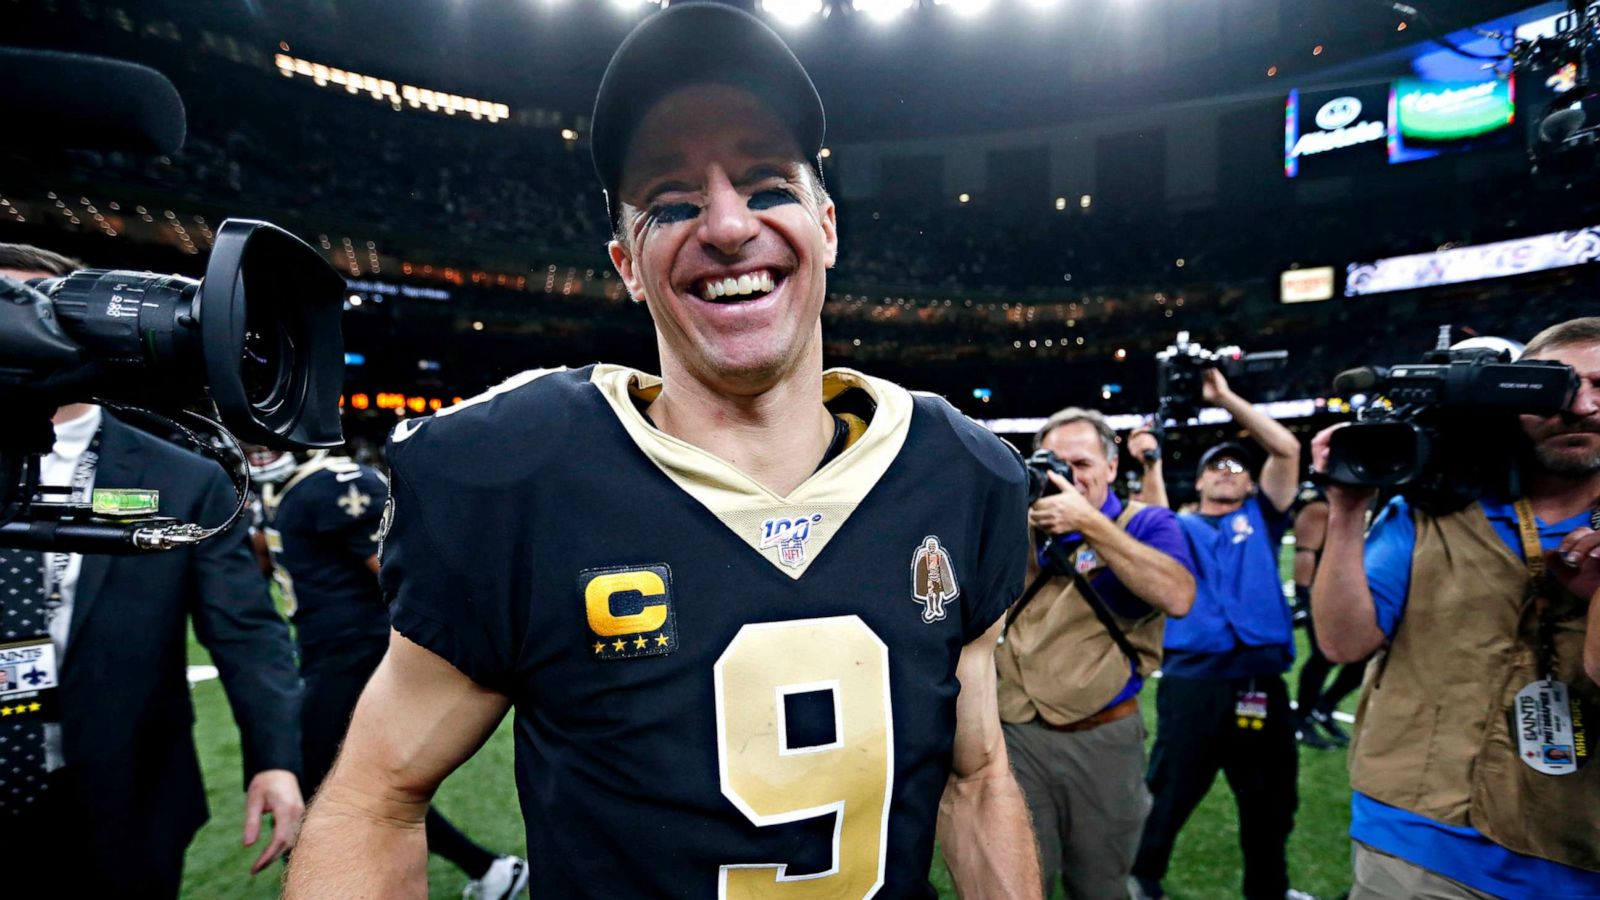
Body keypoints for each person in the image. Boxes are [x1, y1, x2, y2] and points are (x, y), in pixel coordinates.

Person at [286, 5, 1040, 897]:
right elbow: (376, 800)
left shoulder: (960, 473)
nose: (727, 226)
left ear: (827, 227)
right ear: (625, 263)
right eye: (671, 203)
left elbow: (977, 775)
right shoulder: (520, 476)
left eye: (767, 185)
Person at [0, 244, 304, 894]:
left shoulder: (182, 477)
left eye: (33, 308)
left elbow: (247, 629)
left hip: (127, 792)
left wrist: (276, 760)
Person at [1311, 319, 1600, 899]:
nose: (1579, 406)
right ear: (1511, 400)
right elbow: (1344, 643)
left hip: (1574, 850)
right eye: (1553, 388)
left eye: (1599, 386)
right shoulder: (1430, 511)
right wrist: (1345, 510)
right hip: (1416, 834)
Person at [252, 446, 529, 898]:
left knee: (331, 781)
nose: (258, 451)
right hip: (327, 651)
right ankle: (488, 869)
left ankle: (485, 868)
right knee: (342, 779)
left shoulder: (334, 483)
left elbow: (399, 576)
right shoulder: (286, 487)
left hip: (356, 651)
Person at [998, 407, 1195, 899]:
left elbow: (1178, 596)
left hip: (1101, 736)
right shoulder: (1014, 526)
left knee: (1100, 884)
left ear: (1111, 468)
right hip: (1013, 734)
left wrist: (1090, 525)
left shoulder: (1147, 522)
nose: (1067, 475)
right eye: (1052, 463)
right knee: (1018, 883)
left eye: (1082, 464)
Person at [1130, 369, 1308, 900]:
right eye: (1216, 466)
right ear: (1200, 482)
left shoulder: (1264, 516)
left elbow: (1286, 448)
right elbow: (1153, 511)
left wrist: (1224, 397)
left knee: (1272, 800)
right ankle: (1141, 877)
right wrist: (1150, 459)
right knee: (1168, 791)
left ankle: (1269, 890)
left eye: (1237, 466)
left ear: (1251, 483)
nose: (1228, 471)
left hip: (1261, 683)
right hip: (1194, 683)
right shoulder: (1178, 528)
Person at [1288, 481, 1364, 750]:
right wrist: (1302, 597)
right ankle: (1302, 718)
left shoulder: (1357, 495)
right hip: (1322, 591)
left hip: (1349, 589)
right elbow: (1305, 550)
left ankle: (1324, 707)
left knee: (1363, 655)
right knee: (1323, 656)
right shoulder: (1320, 501)